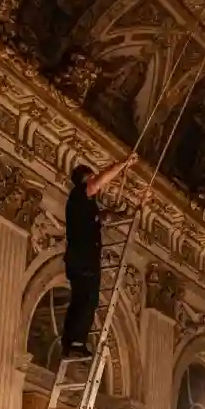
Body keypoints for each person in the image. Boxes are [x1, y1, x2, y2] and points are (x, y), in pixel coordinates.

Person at [62, 153, 137, 359]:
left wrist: (129, 213)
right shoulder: (79, 195)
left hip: (80, 258)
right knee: (88, 299)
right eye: (92, 178)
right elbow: (100, 181)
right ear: (86, 179)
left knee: (80, 299)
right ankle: (76, 342)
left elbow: (106, 217)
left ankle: (70, 342)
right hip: (83, 258)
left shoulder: (86, 206)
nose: (99, 186)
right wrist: (122, 164)